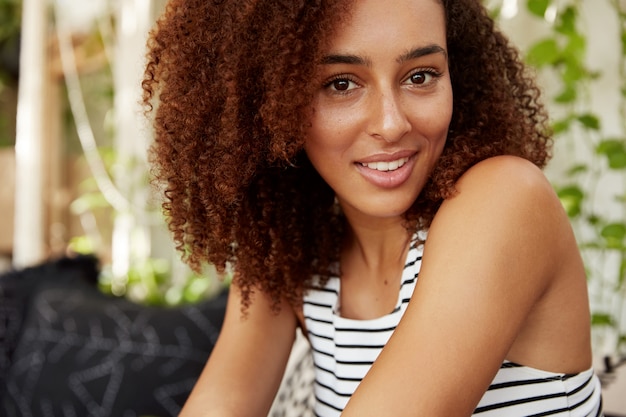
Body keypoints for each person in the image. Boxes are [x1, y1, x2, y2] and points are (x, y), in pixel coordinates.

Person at [142, 0, 604, 415]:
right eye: (341, 84)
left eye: (420, 75)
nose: (391, 123)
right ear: (268, 102)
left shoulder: (506, 200)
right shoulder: (289, 248)